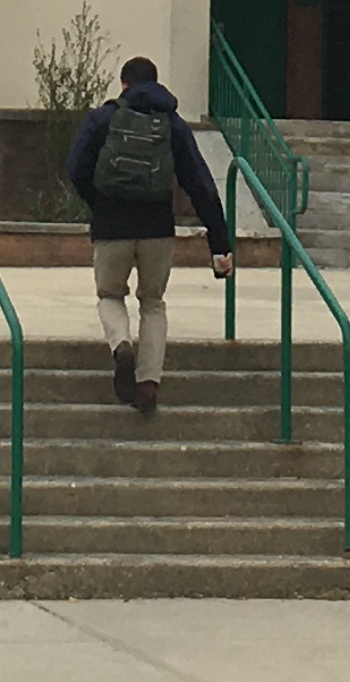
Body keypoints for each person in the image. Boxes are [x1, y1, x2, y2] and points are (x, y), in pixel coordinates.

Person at [64, 55, 235, 414]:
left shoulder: (103, 118)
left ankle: (122, 345)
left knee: (110, 295)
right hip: (158, 228)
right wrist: (220, 243)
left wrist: (100, 202)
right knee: (153, 303)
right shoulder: (172, 125)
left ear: (123, 84)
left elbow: (76, 167)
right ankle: (148, 384)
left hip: (112, 228)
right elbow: (200, 185)